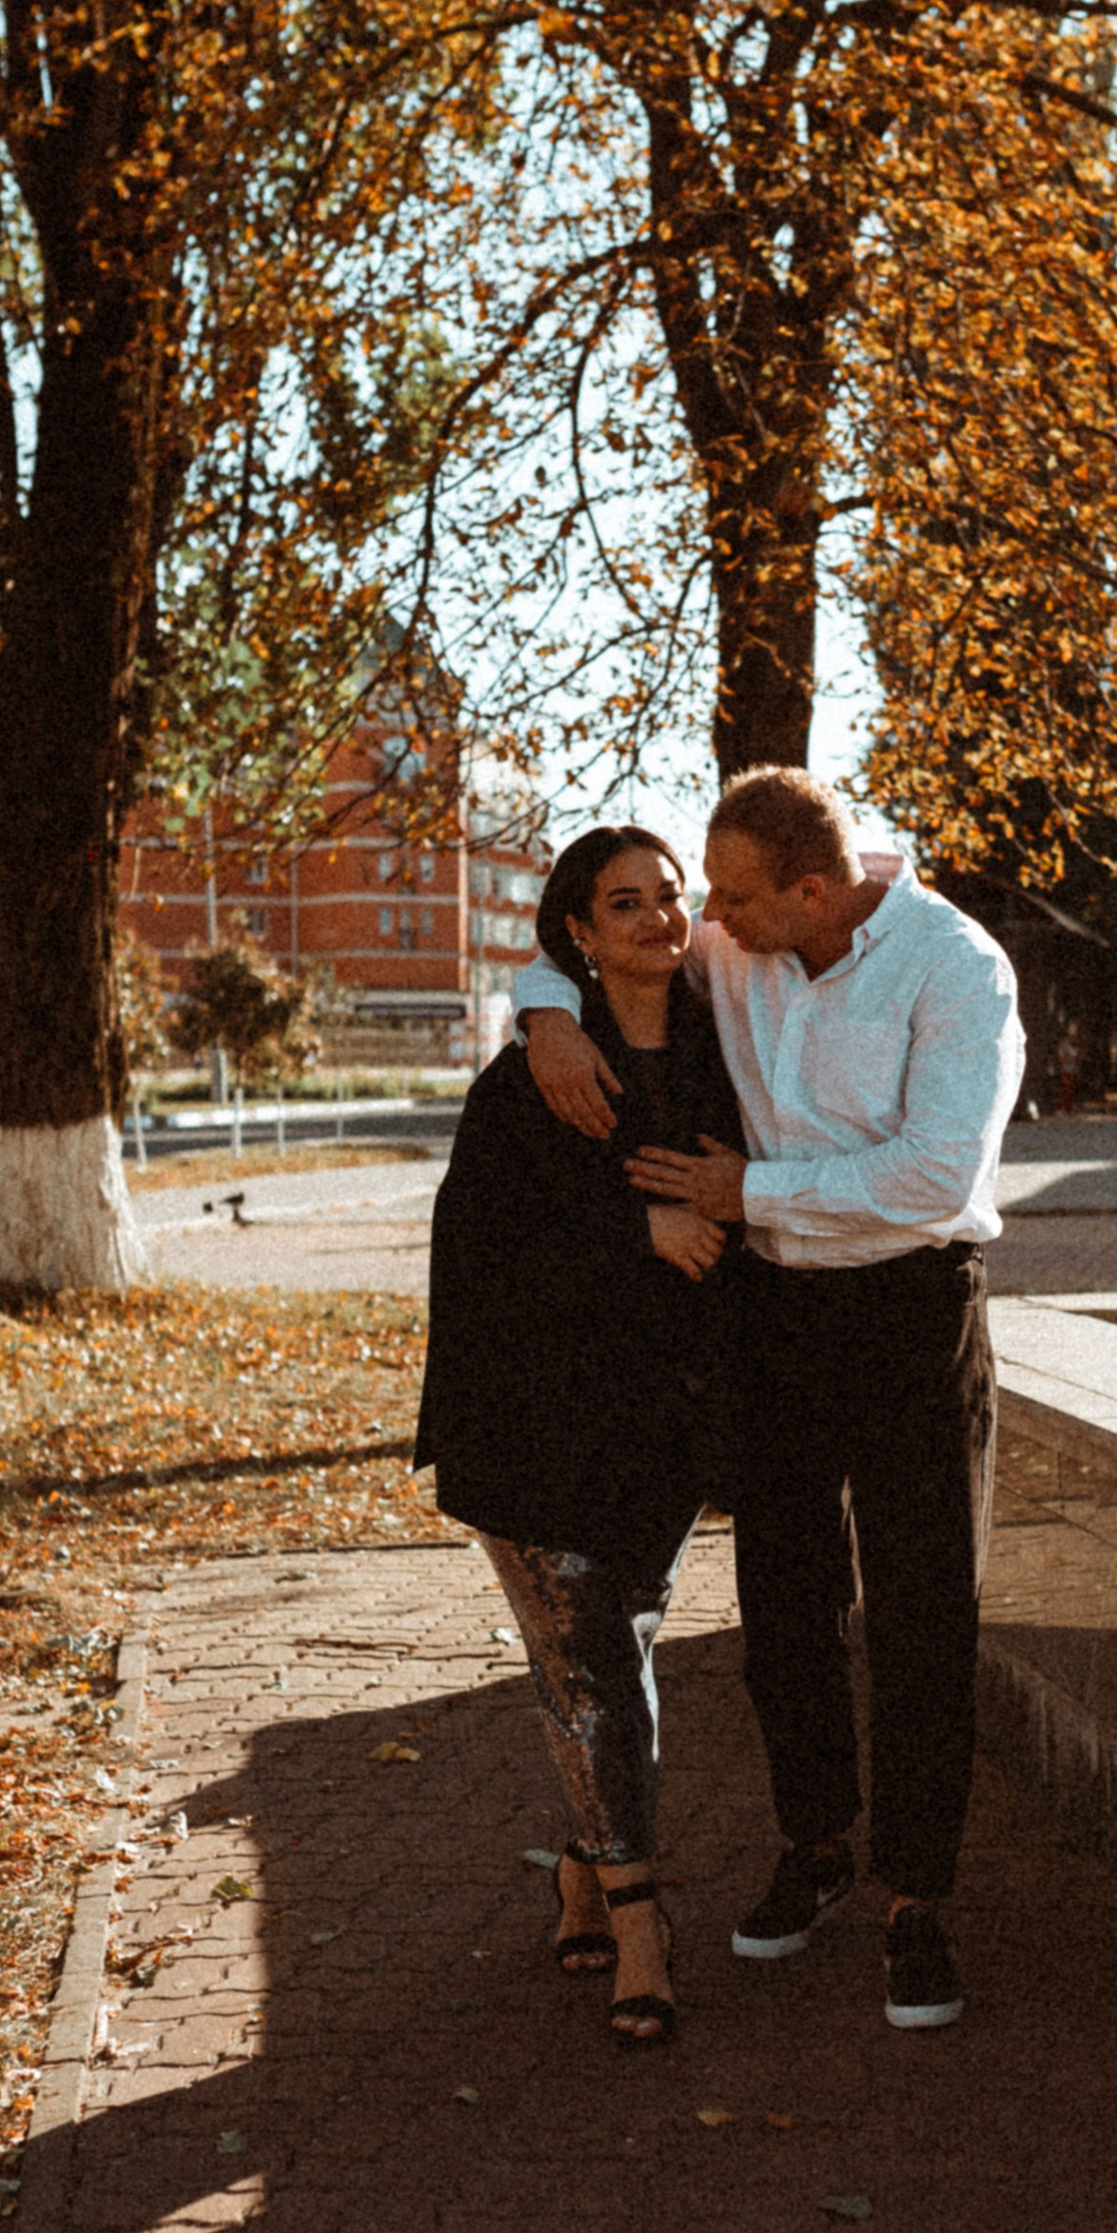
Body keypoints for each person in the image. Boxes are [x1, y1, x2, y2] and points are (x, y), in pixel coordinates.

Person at [513, 767, 1025, 2032]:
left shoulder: (957, 969)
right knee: (784, 1604)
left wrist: (748, 1193)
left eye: (732, 898)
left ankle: (918, 1900)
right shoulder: (743, 944)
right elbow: (597, 955)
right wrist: (544, 1017)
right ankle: (816, 1846)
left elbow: (932, 1174)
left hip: (911, 1310)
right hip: (778, 1316)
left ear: (810, 889)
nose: (707, 922)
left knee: (922, 1609)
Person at [413, 826, 748, 2046]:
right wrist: (635, 1234)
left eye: (669, 895)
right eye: (625, 902)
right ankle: (642, 1924)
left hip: (661, 1430)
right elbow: (477, 1261)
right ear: (578, 933)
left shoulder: (728, 1059)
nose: (659, 918)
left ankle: (582, 1864)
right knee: (598, 1670)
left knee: (611, 1660)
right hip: (531, 1432)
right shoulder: (524, 1085)